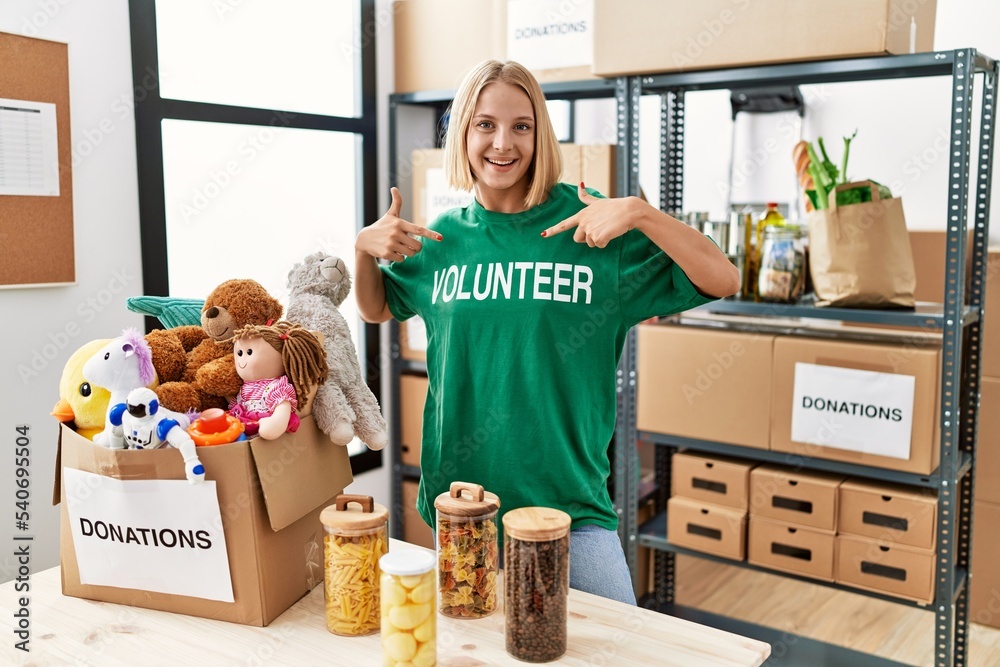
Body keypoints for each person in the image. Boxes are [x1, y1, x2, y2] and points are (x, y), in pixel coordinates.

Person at [354, 59, 740, 605]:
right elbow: (376, 309)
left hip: (571, 509)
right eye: (485, 124)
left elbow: (723, 278)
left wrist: (640, 213)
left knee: (616, 651)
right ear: (463, 131)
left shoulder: (594, 226)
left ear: (541, 134)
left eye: (521, 126)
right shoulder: (442, 239)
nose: (502, 143)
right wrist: (362, 249)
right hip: (464, 508)